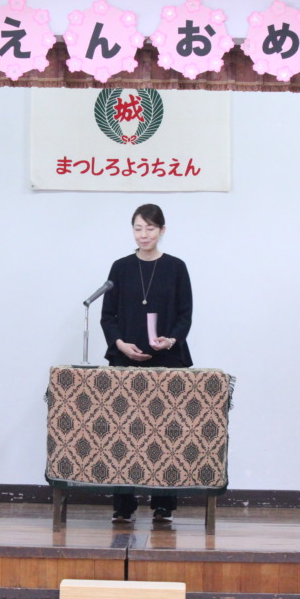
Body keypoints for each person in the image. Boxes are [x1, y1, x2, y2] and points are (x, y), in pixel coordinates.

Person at [100, 203, 193, 524]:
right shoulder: (120, 267)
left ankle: (163, 504)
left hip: (167, 359)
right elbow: (108, 316)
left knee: (166, 433)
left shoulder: (176, 267)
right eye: (138, 228)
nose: (143, 234)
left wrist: (171, 340)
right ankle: (123, 504)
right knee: (123, 433)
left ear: (162, 230)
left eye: (150, 228)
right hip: (125, 359)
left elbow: (185, 315)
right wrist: (120, 344)